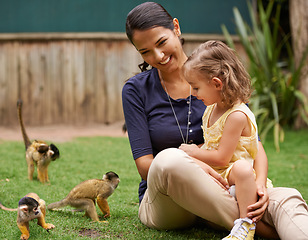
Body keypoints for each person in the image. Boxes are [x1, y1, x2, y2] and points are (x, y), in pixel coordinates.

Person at [122, 2, 308, 240]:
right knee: (169, 159)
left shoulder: (216, 73)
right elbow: (146, 166)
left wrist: (260, 185)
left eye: (161, 43)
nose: (157, 56)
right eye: (145, 51)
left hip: (225, 189)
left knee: (288, 200)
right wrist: (199, 168)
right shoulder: (135, 90)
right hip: (167, 203)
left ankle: (248, 222)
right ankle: (259, 229)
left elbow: (254, 144)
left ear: (176, 28)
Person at [179, 40, 274, 239]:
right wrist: (193, 152)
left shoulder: (237, 115)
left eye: (196, 88)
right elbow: (212, 144)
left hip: (236, 174)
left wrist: (195, 152)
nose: (193, 94)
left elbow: (223, 157)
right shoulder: (211, 109)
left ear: (216, 83)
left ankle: (246, 226)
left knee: (242, 168)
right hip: (220, 173)